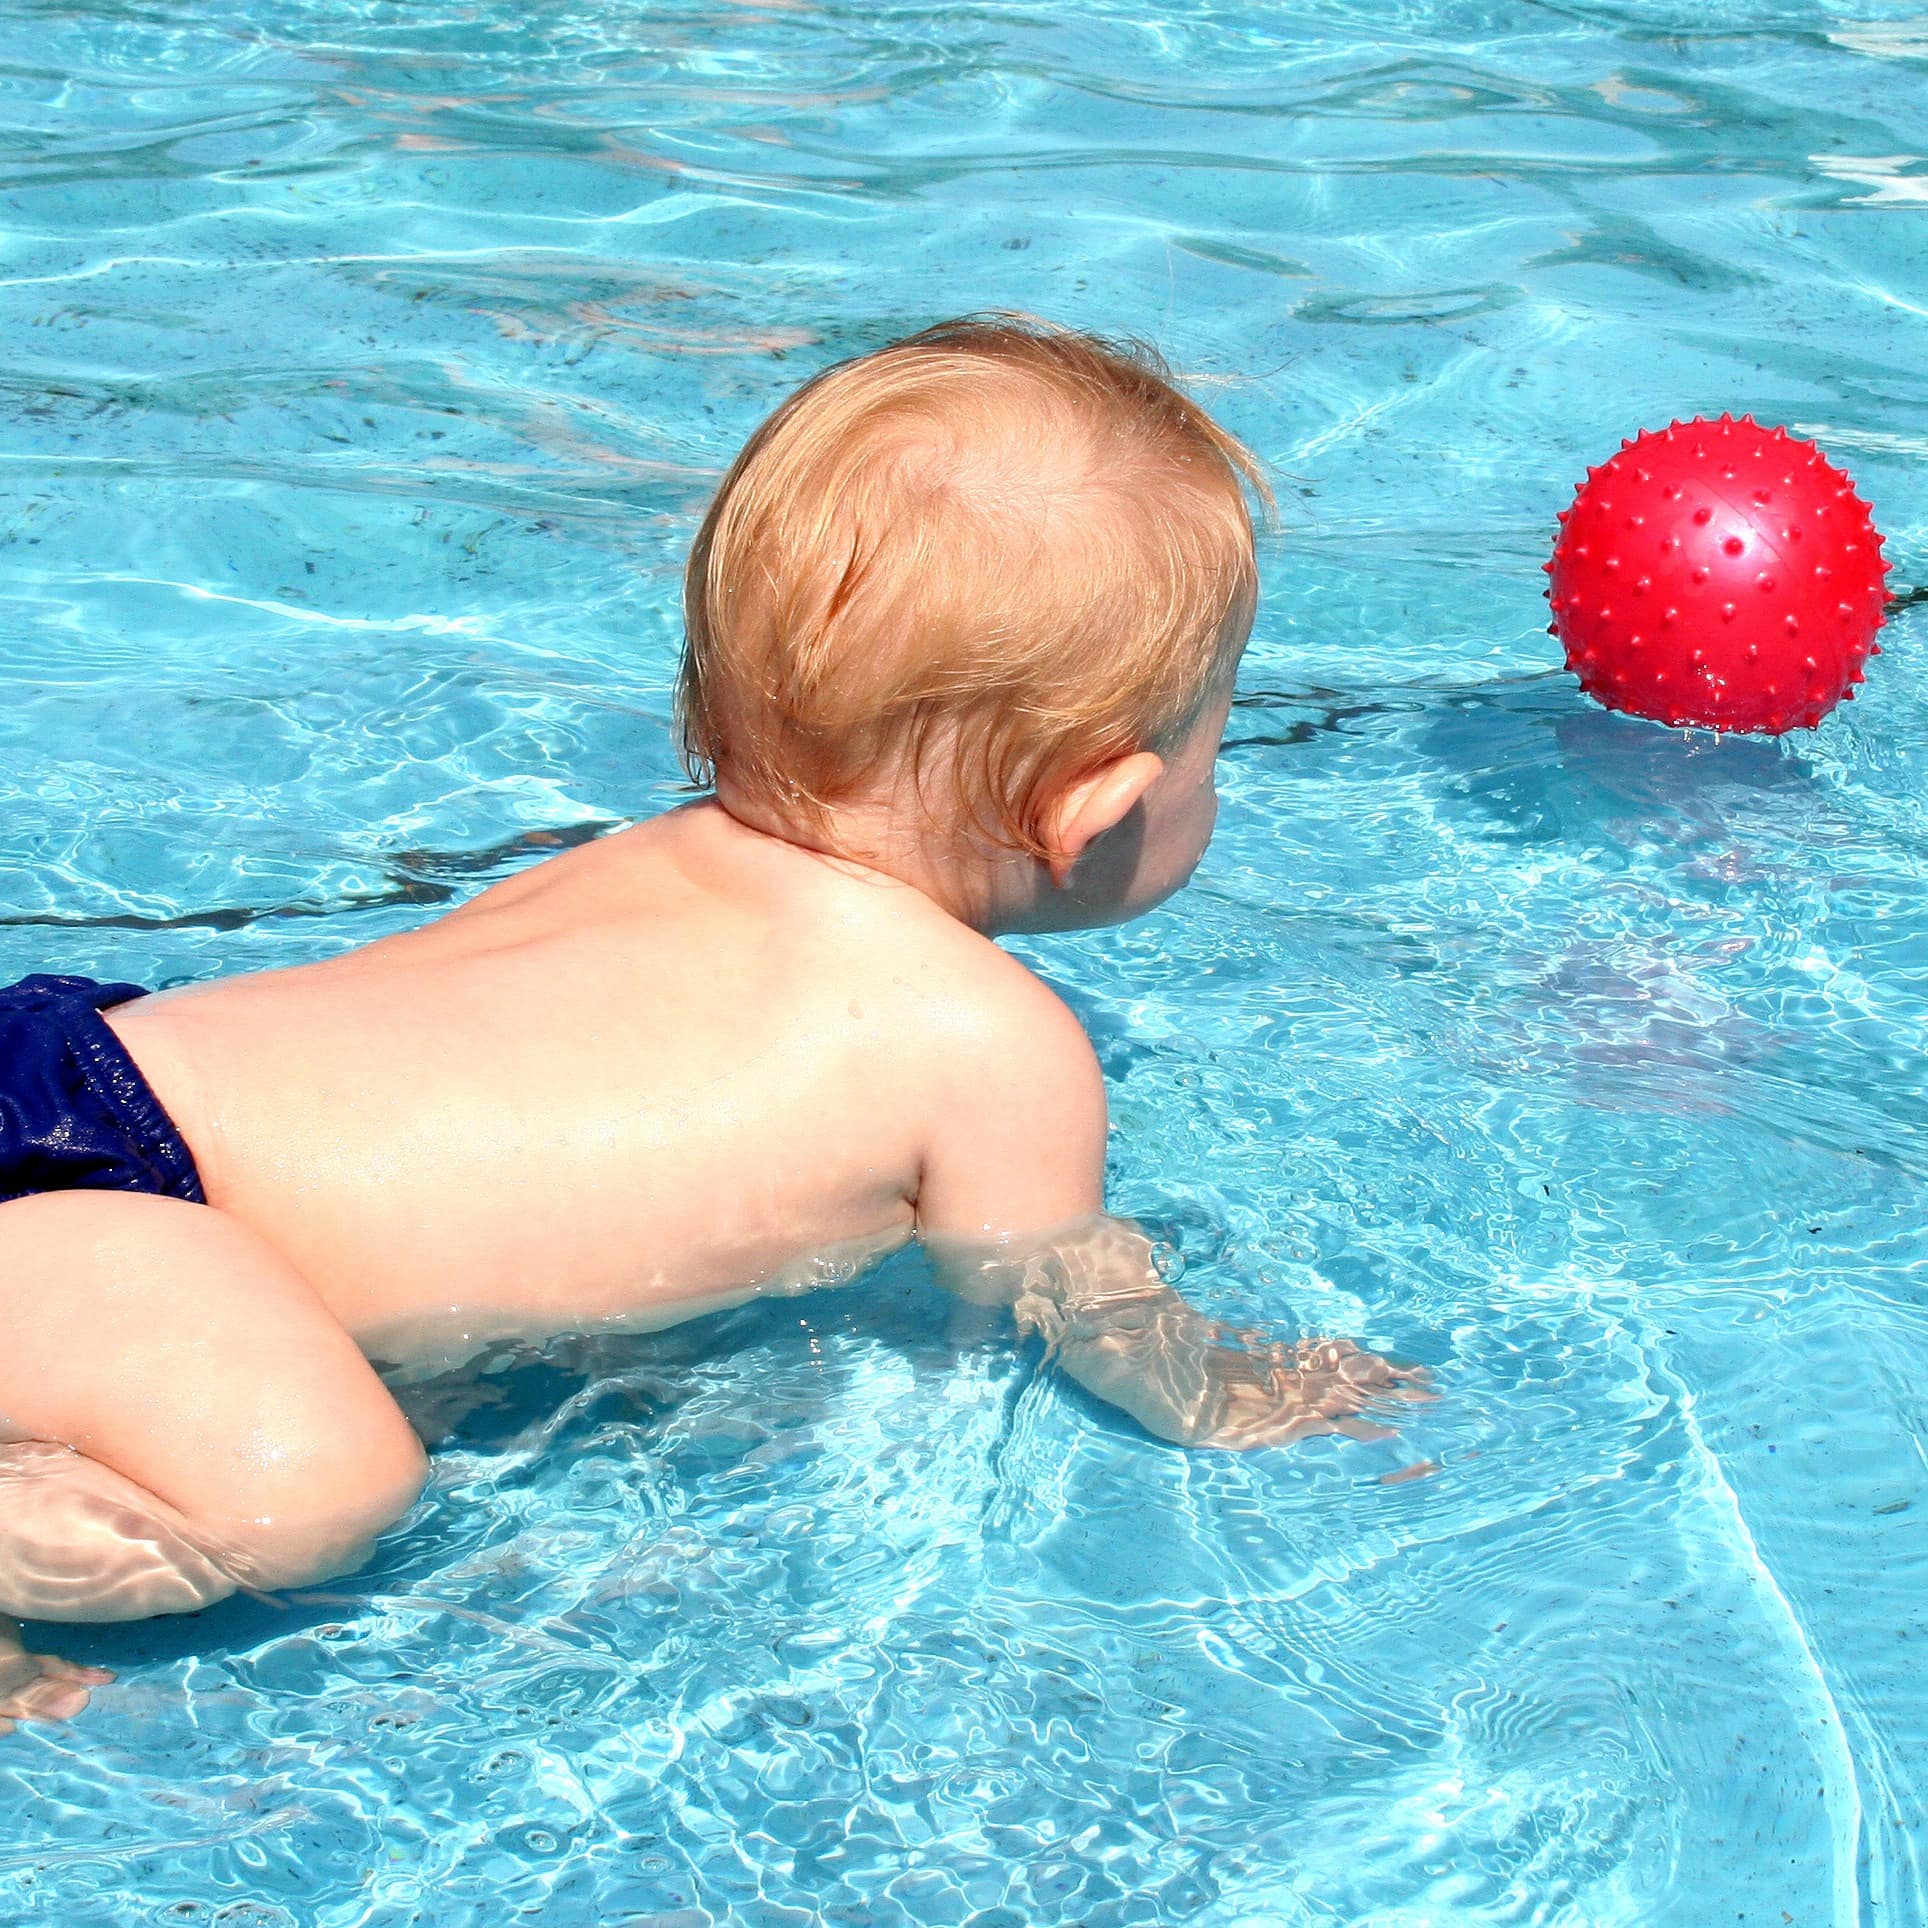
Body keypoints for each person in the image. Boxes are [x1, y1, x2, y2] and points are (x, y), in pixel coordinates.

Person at [0, 315, 1425, 1730]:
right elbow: (1075, 1305)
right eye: (1215, 738)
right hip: (126, 1214)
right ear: (1093, 809)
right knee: (310, 1489)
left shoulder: (644, 861)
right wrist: (1232, 1390)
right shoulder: (993, 1046)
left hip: (78, 1066)